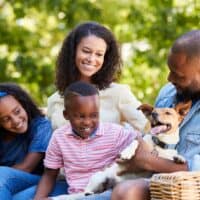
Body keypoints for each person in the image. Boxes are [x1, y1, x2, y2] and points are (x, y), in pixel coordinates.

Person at [111, 30, 200, 200]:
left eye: (179, 75)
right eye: (170, 70)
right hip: (148, 181)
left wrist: (148, 161)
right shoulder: (168, 93)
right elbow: (148, 141)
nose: (169, 78)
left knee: (127, 192)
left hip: (186, 191)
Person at [33, 81, 141, 200]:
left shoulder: (114, 133)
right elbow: (49, 175)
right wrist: (38, 198)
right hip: (75, 195)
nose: (87, 122)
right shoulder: (59, 137)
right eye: (80, 116)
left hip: (107, 193)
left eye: (94, 115)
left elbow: (140, 139)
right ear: (66, 115)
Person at [47, 21, 148, 132]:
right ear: (73, 51)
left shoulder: (119, 93)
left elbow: (147, 127)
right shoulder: (55, 100)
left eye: (99, 54)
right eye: (86, 51)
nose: (91, 59)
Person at [0, 83, 53, 200]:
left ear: (24, 105)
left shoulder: (41, 126)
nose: (15, 121)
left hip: (35, 180)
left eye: (17, 111)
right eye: (6, 119)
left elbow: (27, 167)